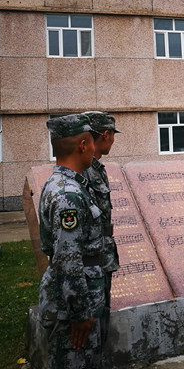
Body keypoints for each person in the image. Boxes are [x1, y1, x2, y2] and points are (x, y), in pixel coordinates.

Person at [38, 113, 106, 369]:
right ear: (82, 145)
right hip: (73, 309)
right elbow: (69, 258)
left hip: (76, 301)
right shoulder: (68, 194)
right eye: (91, 142)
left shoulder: (65, 184)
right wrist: (80, 313)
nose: (93, 149)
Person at [81, 111, 120, 344]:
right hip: (91, 259)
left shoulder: (96, 168)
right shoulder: (85, 170)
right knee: (92, 316)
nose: (113, 140)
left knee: (102, 310)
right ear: (106, 134)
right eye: (113, 135)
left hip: (102, 255)